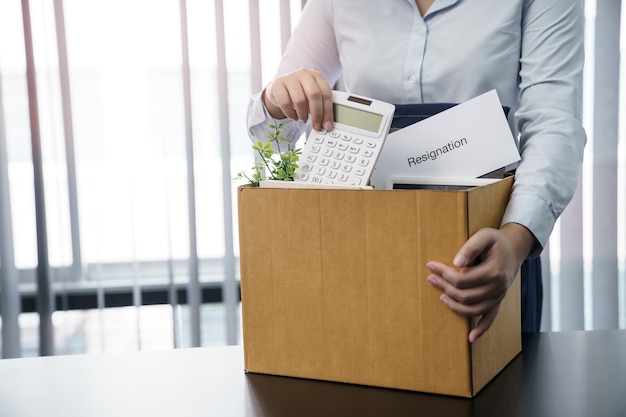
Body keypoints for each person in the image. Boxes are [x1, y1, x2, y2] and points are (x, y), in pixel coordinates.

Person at [247, 0, 586, 343]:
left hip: (489, 253)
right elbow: (271, 134)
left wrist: (515, 243)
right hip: (364, 251)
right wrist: (279, 99)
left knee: (504, 393)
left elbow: (553, 123)